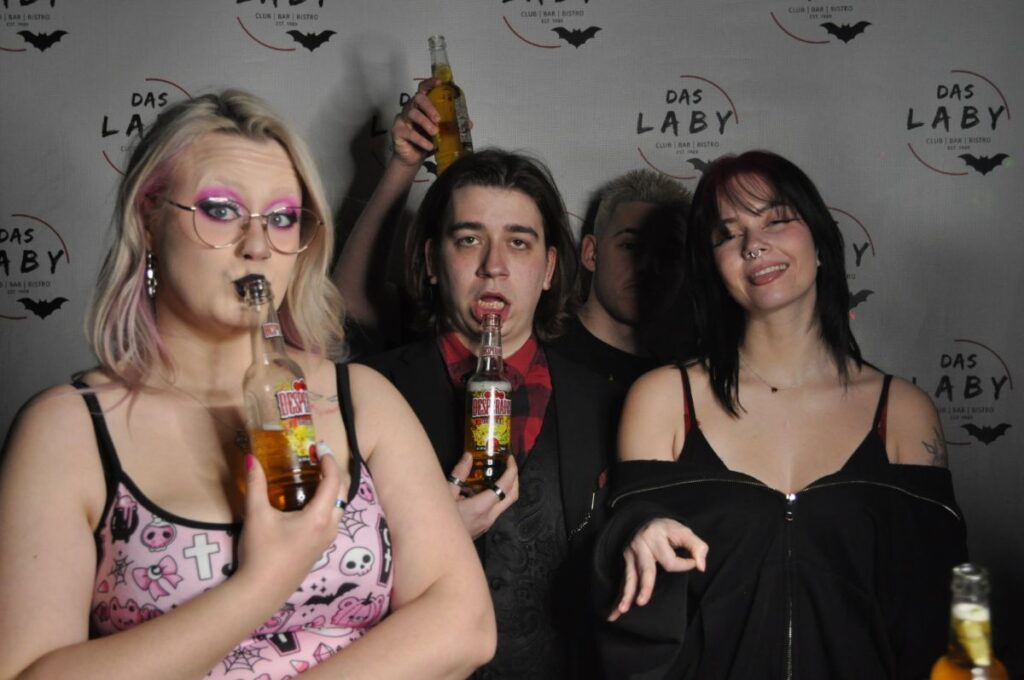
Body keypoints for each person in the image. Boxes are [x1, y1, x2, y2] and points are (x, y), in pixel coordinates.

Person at [0, 90, 494, 680]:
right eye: (220, 210)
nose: (257, 246)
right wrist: (263, 582)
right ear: (149, 219)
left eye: (282, 218)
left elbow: (465, 623)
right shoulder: (69, 430)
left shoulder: (361, 398)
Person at [593, 151, 969, 679]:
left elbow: (934, 617)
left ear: (819, 241)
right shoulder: (661, 400)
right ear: (712, 266)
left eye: (776, 219)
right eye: (728, 234)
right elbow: (631, 611)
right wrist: (629, 533)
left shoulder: (904, 412)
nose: (753, 244)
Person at [355, 138, 618, 676]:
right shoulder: (366, 390)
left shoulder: (610, 404)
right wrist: (428, 543)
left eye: (518, 243)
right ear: (432, 261)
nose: (493, 266)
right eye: (469, 239)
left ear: (549, 268)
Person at [551, 169, 692, 387]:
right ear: (591, 253)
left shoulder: (687, 375)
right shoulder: (540, 356)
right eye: (630, 246)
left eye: (668, 252)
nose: (647, 266)